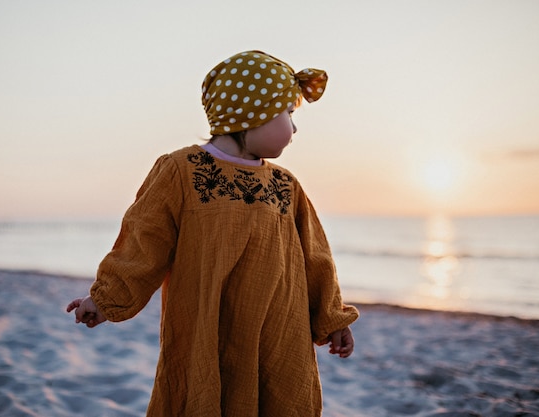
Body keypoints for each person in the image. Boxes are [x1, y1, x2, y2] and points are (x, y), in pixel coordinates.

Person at [67, 50, 359, 417]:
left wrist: (332, 320)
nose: (294, 127)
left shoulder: (286, 186)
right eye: (288, 114)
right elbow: (145, 240)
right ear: (253, 114)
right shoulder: (181, 171)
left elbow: (316, 257)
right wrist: (107, 298)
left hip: (279, 331)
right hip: (209, 326)